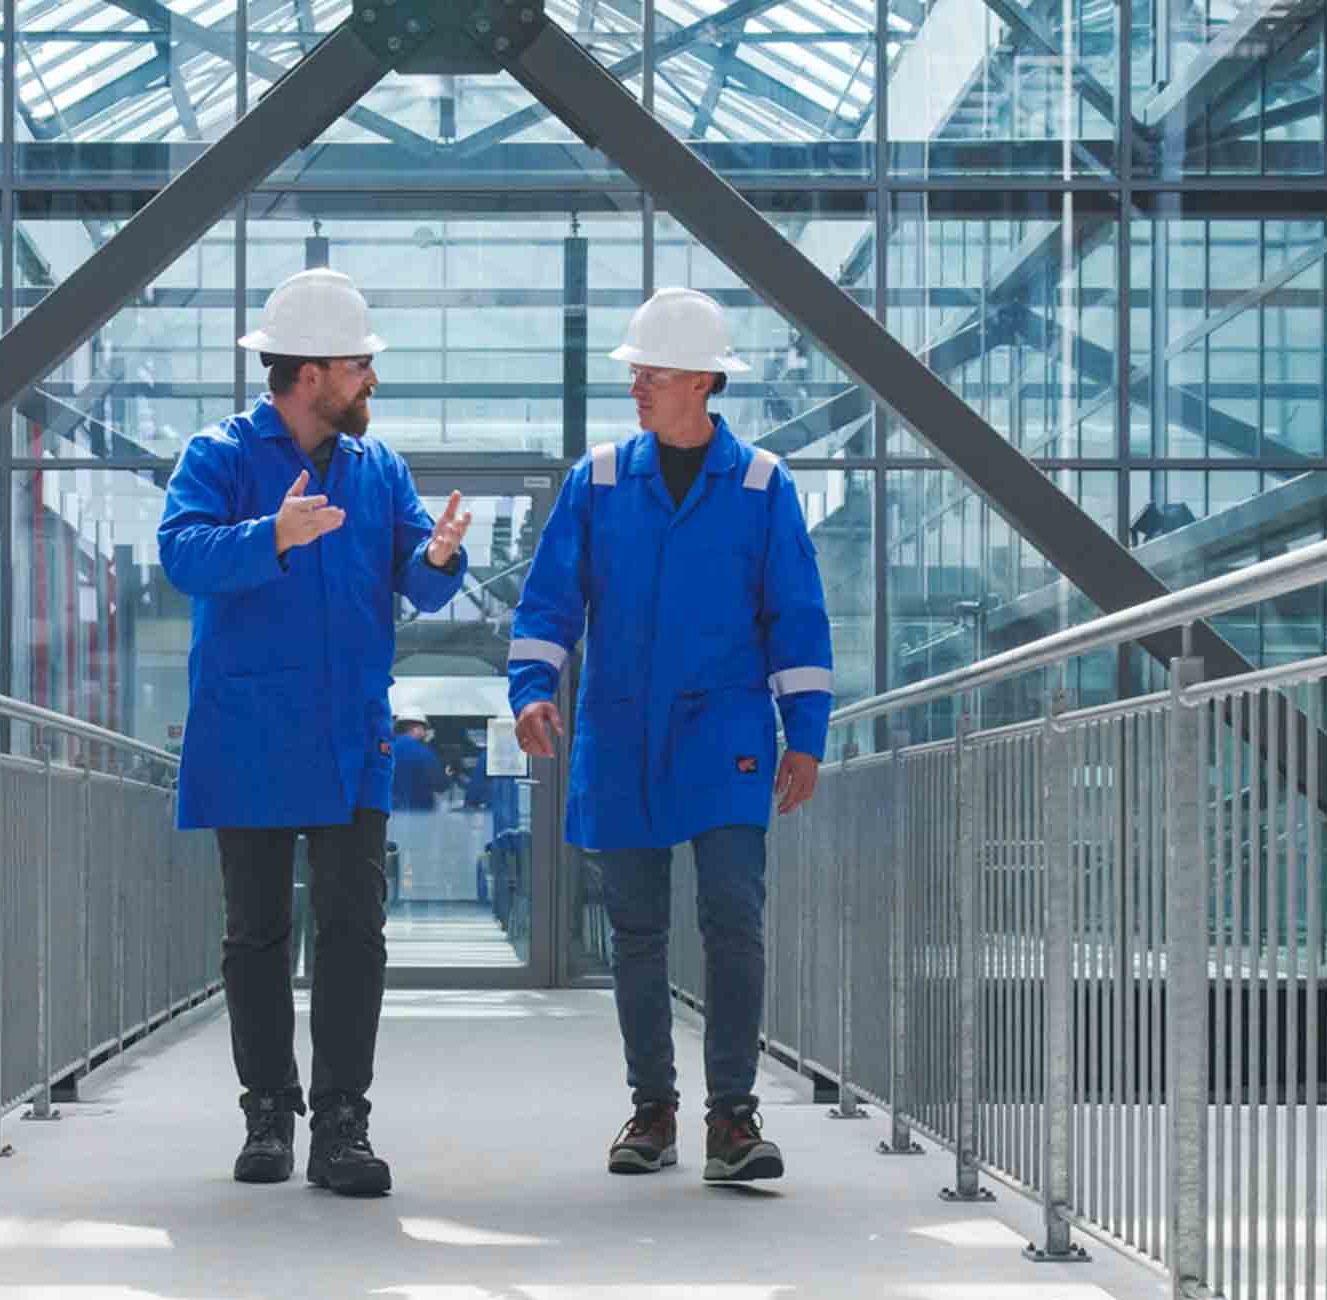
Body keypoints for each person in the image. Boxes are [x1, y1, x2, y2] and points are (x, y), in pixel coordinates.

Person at [506, 286, 833, 1184]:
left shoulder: (762, 485)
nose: (637, 386)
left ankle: (734, 1117)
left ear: (700, 379)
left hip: (727, 730)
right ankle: (652, 1110)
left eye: (649, 372)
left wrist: (805, 733)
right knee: (637, 929)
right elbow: (549, 601)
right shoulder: (600, 480)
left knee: (734, 917)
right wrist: (531, 688)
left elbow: (796, 618)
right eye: (636, 372)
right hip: (619, 734)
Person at [158, 267, 474, 1197]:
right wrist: (275, 535)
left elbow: (416, 579)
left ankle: (342, 1120)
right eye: (357, 364)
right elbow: (182, 554)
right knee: (257, 933)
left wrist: (441, 554)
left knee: (352, 930)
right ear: (307, 374)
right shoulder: (218, 456)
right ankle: (268, 1112)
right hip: (250, 730)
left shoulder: (381, 470)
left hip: (349, 738)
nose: (369, 378)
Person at [387, 720, 445, 904]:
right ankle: (417, 895)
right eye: (424, 729)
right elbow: (440, 784)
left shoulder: (387, 749)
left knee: (392, 853)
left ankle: (392, 896)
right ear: (416, 728)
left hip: (392, 814)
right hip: (421, 814)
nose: (426, 733)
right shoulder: (424, 753)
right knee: (420, 855)